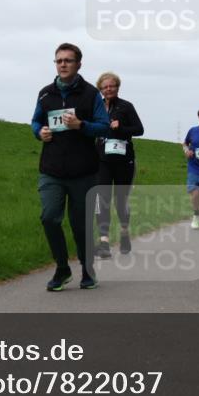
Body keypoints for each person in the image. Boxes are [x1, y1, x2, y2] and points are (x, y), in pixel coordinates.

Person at [31, 43, 110, 291]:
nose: (62, 64)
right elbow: (35, 120)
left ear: (78, 64)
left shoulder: (90, 94)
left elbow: (104, 126)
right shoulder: (45, 94)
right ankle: (62, 268)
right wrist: (39, 132)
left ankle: (87, 269)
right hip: (51, 170)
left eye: (68, 60)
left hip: (83, 172)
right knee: (49, 218)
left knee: (80, 225)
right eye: (58, 61)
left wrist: (80, 125)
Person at [94, 72, 145, 258]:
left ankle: (124, 233)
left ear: (117, 87)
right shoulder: (96, 107)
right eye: (105, 86)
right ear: (100, 89)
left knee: (120, 200)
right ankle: (104, 242)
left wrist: (121, 128)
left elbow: (139, 129)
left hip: (124, 161)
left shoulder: (126, 106)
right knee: (102, 198)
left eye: (112, 86)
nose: (109, 89)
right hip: (102, 160)